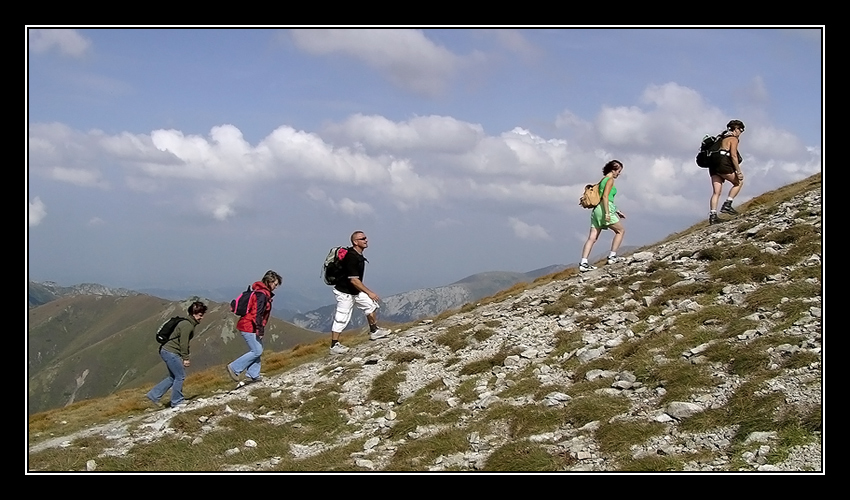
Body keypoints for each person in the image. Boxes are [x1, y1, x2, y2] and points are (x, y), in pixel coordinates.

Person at [328, 231, 391, 355]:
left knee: (370, 305)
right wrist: (369, 292)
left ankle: (374, 331)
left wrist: (367, 294)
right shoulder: (352, 257)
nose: (366, 240)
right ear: (355, 242)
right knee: (342, 317)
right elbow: (354, 280)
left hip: (354, 291)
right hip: (344, 293)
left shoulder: (357, 255)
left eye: (365, 237)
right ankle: (334, 345)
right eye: (362, 238)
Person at [147, 300, 208, 408]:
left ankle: (154, 395)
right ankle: (177, 401)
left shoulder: (188, 323)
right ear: (194, 314)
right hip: (171, 352)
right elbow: (183, 343)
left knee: (173, 377)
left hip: (167, 351)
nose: (202, 318)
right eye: (200, 315)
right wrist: (186, 358)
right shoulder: (187, 325)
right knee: (180, 376)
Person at [226, 270, 281, 384]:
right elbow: (257, 314)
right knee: (257, 350)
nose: (276, 287)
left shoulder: (261, 293)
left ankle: (253, 375)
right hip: (248, 326)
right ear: (269, 281)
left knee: (258, 349)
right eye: (275, 284)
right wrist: (259, 330)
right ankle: (234, 368)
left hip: (249, 325)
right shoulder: (262, 295)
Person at [579, 160, 627, 272]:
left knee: (592, 238)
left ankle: (583, 263)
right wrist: (607, 213)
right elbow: (606, 198)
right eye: (618, 171)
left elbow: (603, 197)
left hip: (596, 211)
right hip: (605, 209)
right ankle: (612, 256)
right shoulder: (610, 180)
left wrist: (617, 211)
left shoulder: (602, 180)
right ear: (613, 170)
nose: (619, 174)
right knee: (620, 231)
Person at [708, 119, 746, 224]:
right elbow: (733, 155)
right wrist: (738, 171)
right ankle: (727, 204)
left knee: (716, 192)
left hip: (713, 166)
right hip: (723, 165)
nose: (741, 133)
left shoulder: (720, 138)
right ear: (737, 129)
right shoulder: (733, 139)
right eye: (741, 130)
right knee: (738, 182)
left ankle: (713, 216)